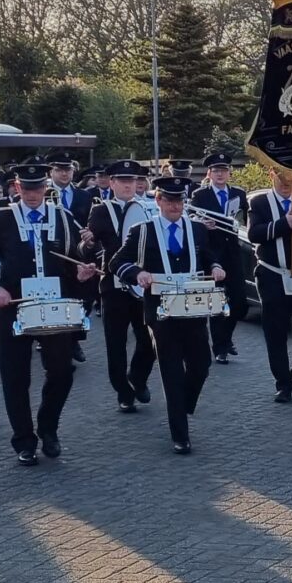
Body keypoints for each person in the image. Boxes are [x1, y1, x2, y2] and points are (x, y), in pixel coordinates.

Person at [0, 156, 98, 467]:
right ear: (17, 187)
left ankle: (48, 427)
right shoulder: (2, 217)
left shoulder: (62, 215)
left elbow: (73, 256)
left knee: (62, 372)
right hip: (14, 307)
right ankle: (24, 440)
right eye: (26, 187)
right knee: (15, 377)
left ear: (46, 187)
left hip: (56, 306)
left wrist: (82, 268)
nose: (32, 193)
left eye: (37, 187)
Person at [110, 177, 225, 454]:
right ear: (158, 200)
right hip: (161, 313)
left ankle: (183, 405)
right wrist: (137, 273)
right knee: (171, 372)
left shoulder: (196, 229)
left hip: (194, 309)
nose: (175, 206)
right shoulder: (142, 231)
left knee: (201, 365)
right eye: (169, 200)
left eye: (179, 201)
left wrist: (217, 266)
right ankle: (180, 435)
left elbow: (209, 255)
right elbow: (116, 262)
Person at [247, 167, 292, 403]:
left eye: (291, 179)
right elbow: (254, 234)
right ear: (272, 176)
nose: (287, 184)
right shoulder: (260, 202)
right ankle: (283, 382)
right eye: (282, 179)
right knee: (276, 331)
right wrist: (283, 224)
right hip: (272, 275)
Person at [87, 160, 156, 412]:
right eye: (122, 181)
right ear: (112, 183)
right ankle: (123, 392)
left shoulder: (149, 208)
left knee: (149, 339)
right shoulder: (101, 210)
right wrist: (87, 244)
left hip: (142, 285)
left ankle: (138, 377)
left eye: (132, 181)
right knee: (115, 344)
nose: (128, 185)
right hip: (113, 286)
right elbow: (89, 245)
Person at [190, 153, 248, 364]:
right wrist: (202, 224)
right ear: (209, 173)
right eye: (216, 170)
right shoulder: (200, 195)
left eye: (223, 170)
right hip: (211, 252)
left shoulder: (239, 194)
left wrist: (238, 224)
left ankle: (227, 338)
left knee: (240, 303)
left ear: (229, 173)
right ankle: (220, 348)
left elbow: (245, 221)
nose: (220, 174)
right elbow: (192, 220)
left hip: (234, 252)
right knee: (217, 301)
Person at [49, 150, 94, 363]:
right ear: (51, 171)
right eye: (59, 170)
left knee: (81, 299)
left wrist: (90, 232)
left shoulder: (84, 195)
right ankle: (63, 342)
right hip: (54, 253)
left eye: (67, 169)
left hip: (79, 252)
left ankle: (75, 338)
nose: (64, 174)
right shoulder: (44, 193)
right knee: (57, 297)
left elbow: (90, 221)